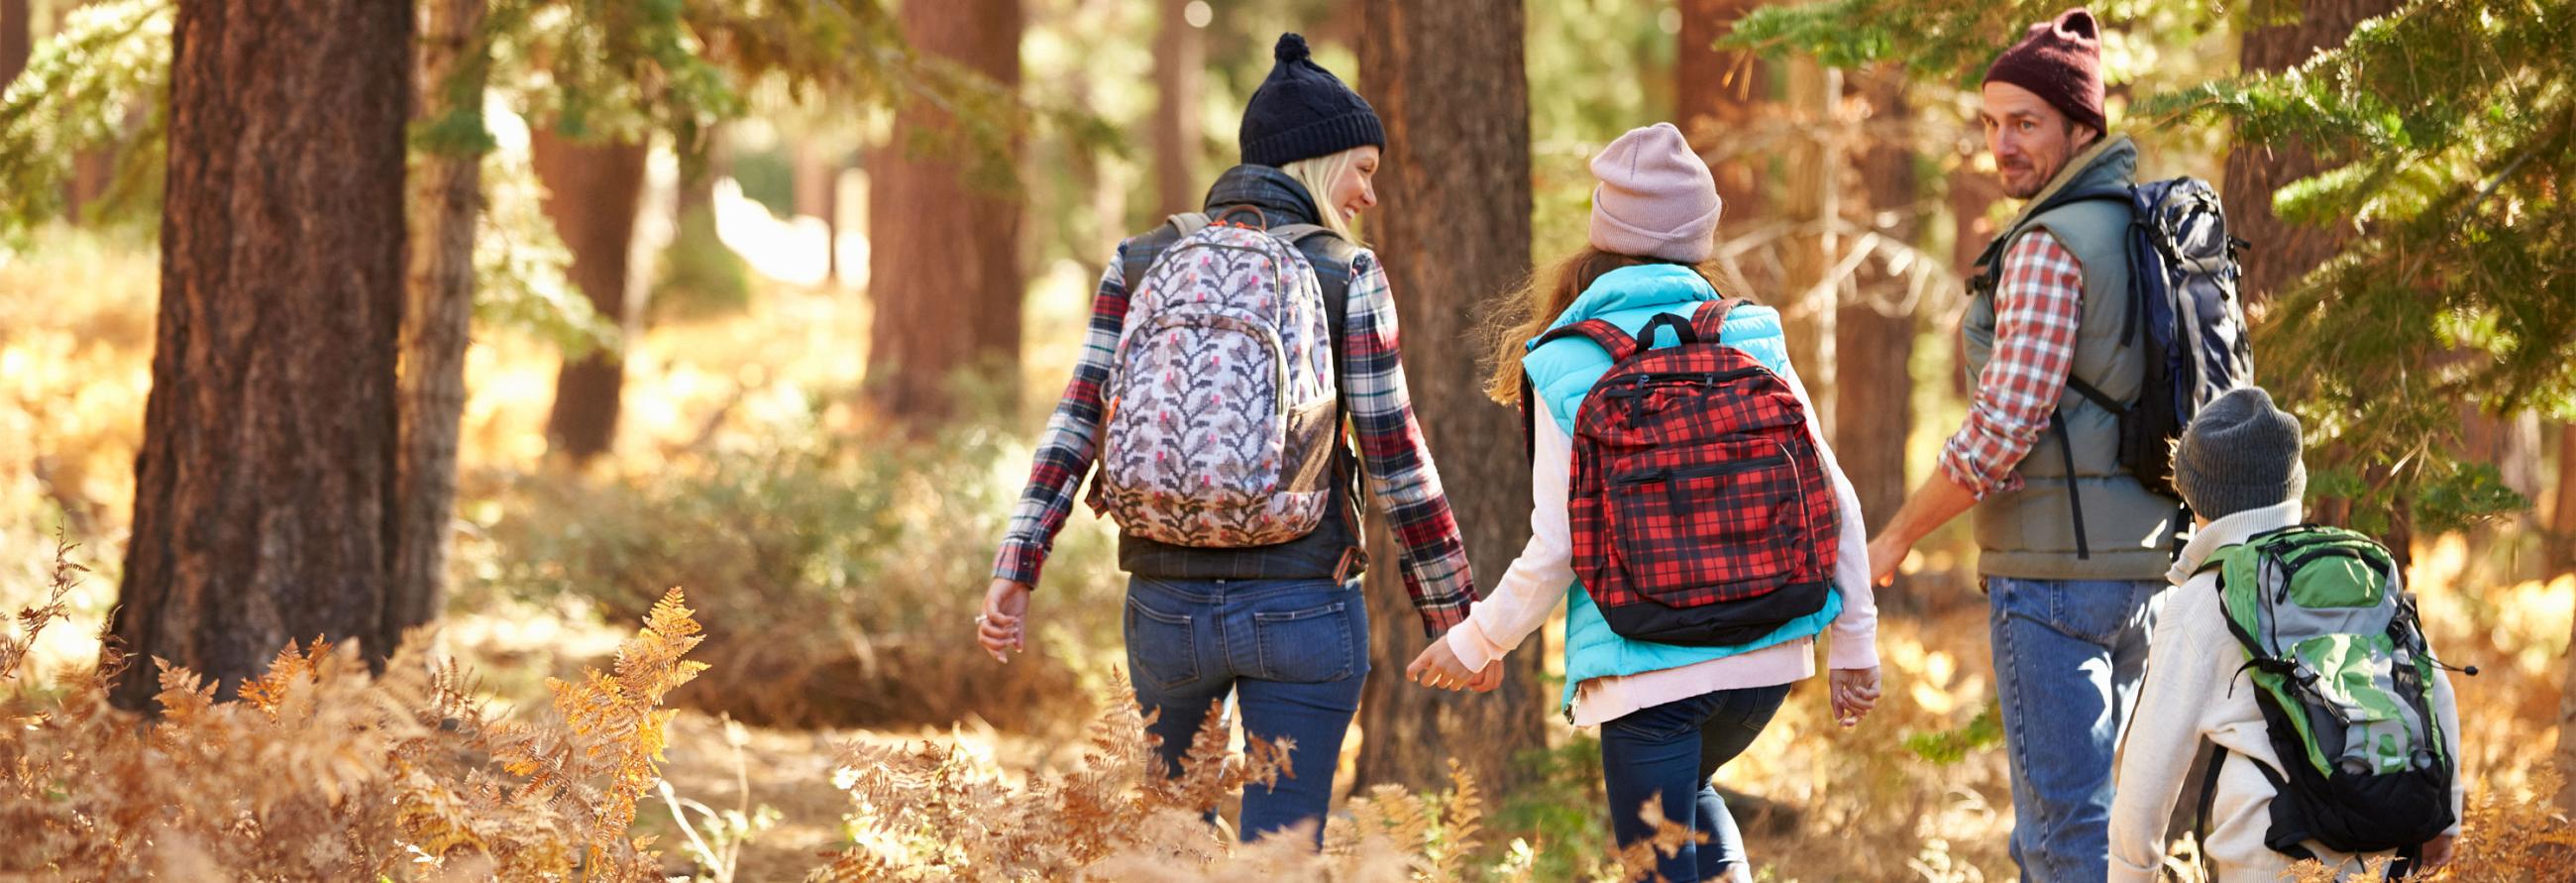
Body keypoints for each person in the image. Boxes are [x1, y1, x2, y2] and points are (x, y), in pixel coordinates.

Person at [975, 32, 1477, 845]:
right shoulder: (1347, 273)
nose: (1369, 196)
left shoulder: (1142, 259)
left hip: (1164, 609)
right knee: (1278, 853)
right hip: (1302, 603)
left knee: (1168, 845)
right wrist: (1452, 610)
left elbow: (1078, 419)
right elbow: (1393, 452)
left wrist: (1018, 563)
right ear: (1315, 166)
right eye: (1363, 170)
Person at [1407, 122, 1878, 883]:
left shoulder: (1563, 355)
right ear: (1702, 235)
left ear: (1604, 231)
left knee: (1659, 863)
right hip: (1767, 657)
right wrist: (1855, 640)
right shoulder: (1752, 333)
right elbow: (1834, 493)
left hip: (1645, 670)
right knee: (1691, 797)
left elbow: (1557, 546)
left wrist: (1476, 642)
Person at [1859, 10, 2179, 880]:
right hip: (2147, 570)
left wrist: (1895, 536)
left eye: (2026, 123)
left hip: (2052, 581)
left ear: (2082, 126)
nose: (2002, 143)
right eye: (1992, 122)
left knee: (2059, 838)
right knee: (2122, 834)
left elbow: (2001, 431)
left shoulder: (2048, 245)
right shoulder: (2137, 226)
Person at [2107, 387, 2463, 882]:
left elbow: (2149, 769)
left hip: (2269, 855)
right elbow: (2430, 689)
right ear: (2292, 486)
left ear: (2198, 498)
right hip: (2378, 841)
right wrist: (2447, 816)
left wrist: (2130, 872)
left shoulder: (2203, 600)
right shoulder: (2354, 571)